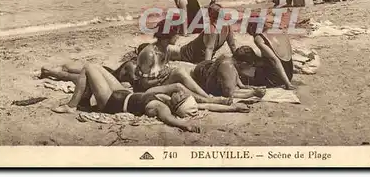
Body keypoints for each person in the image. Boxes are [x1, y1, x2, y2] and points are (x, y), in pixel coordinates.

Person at [51, 63, 249, 133]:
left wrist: (184, 124)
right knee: (96, 67)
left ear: (177, 104)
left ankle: (72, 106)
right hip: (124, 92)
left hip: (111, 101)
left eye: (180, 97)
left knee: (88, 68)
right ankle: (83, 99)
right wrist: (233, 107)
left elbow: (170, 119)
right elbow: (206, 107)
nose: (181, 93)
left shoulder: (160, 107)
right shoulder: (165, 99)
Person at [134, 17, 231, 105]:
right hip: (146, 89)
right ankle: (208, 100)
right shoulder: (149, 54)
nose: (178, 37)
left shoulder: (166, 48)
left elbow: (163, 68)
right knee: (178, 86)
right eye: (176, 34)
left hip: (158, 82)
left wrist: (166, 73)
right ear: (168, 36)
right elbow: (144, 83)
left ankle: (207, 96)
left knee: (180, 71)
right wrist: (161, 78)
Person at [237, 15, 295, 90]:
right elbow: (282, 57)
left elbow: (275, 60)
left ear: (252, 27)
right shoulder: (278, 31)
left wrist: (287, 84)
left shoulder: (259, 38)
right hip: (289, 73)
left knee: (243, 72)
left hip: (276, 79)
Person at [168, 3, 238, 64]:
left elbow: (209, 49)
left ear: (210, 15)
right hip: (195, 54)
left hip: (187, 54)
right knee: (169, 50)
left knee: (167, 50)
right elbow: (232, 45)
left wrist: (206, 66)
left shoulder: (211, 28)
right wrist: (238, 59)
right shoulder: (228, 26)